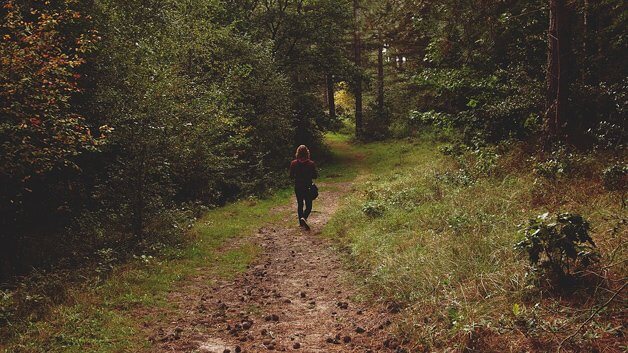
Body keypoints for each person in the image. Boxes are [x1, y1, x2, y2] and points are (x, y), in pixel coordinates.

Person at [289, 145, 318, 230]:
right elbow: (315, 176)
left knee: (300, 204)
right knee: (308, 206)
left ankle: (301, 222)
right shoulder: (311, 164)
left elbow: (291, 176)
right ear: (307, 153)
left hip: (298, 186)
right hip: (308, 187)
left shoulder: (293, 163)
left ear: (297, 153)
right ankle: (304, 217)